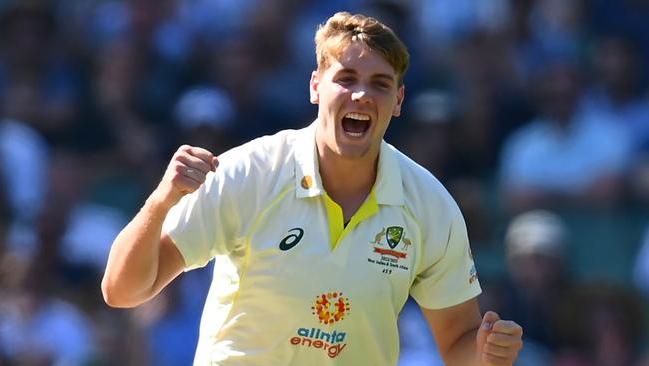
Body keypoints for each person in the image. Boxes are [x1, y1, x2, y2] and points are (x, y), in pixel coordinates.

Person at [102, 12, 523, 365]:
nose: (361, 94)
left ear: (398, 101)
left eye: (380, 83)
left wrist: (488, 356)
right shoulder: (249, 172)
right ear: (315, 86)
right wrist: (162, 200)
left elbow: (458, 344)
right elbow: (122, 291)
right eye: (347, 78)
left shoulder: (429, 204)